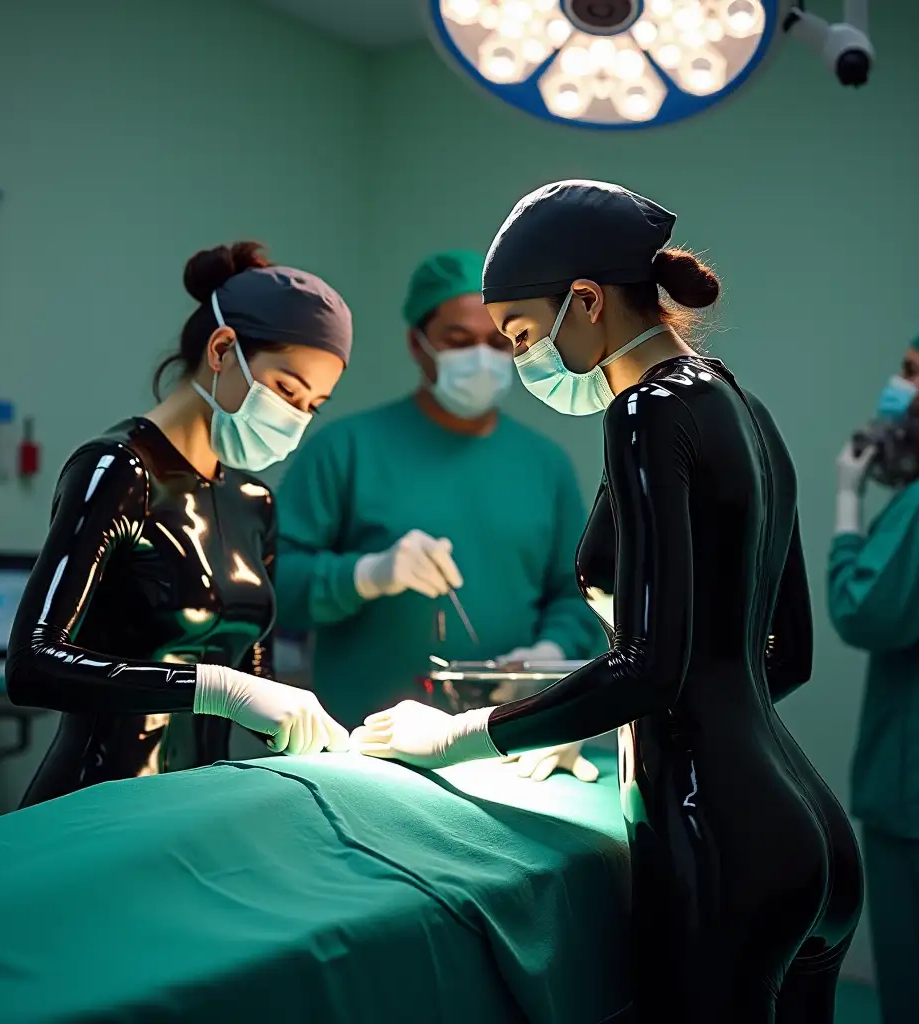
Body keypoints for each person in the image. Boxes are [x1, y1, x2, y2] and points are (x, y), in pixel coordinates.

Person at [353, 181, 863, 1023]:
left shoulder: (646, 410)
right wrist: (585, 722)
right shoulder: (745, 407)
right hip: (805, 827)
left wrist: (455, 737)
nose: (519, 361)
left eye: (521, 335)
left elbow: (651, 668)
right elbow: (784, 658)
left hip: (718, 839)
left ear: (585, 301)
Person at [7, 241, 352, 806]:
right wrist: (217, 687)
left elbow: (257, 680)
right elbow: (32, 665)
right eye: (287, 390)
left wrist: (331, 739)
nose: (295, 417)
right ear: (222, 350)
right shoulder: (118, 471)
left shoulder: (254, 501)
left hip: (194, 812)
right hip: (93, 806)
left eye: (313, 404)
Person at [274, 249, 607, 779]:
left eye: (498, 342)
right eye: (457, 340)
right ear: (418, 343)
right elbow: (272, 588)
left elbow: (577, 596)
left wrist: (546, 655)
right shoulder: (345, 450)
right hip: (360, 750)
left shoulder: (544, 465)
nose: (481, 355)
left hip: (503, 745)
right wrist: (364, 575)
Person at [829, 349, 919, 1024]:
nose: (901, 387)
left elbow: (864, 611)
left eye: (918, 372)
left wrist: (846, 502)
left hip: (915, 795)